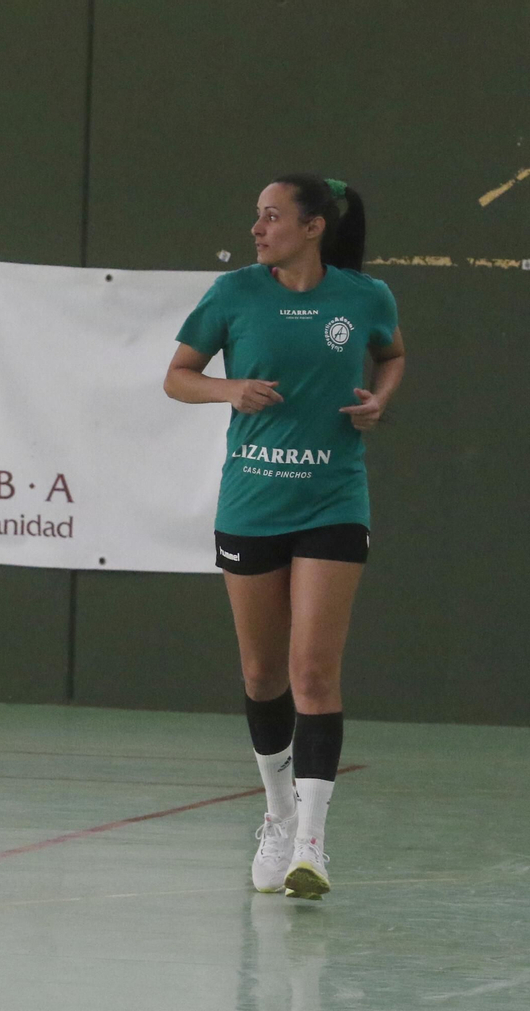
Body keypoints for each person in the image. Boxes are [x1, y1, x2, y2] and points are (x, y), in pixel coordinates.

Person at [164, 174, 406, 899]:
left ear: (313, 227)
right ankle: (275, 813)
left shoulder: (365, 298)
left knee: (313, 672)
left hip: (333, 500)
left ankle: (312, 841)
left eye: (272, 216)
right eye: (256, 215)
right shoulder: (235, 293)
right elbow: (178, 376)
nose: (257, 228)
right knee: (263, 674)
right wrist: (228, 390)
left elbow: (390, 356)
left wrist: (379, 400)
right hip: (251, 505)